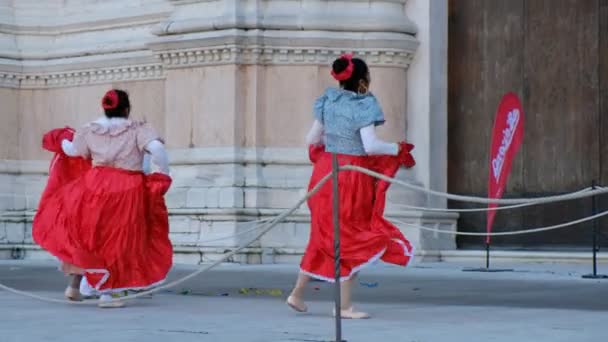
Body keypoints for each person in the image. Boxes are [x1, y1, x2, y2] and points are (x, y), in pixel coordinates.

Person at [287, 54, 416, 319]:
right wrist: (397, 148)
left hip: (325, 173)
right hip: (351, 177)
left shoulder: (328, 100)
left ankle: (297, 294)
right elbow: (370, 146)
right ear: (363, 78)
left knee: (324, 236)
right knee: (351, 237)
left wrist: (333, 145)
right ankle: (344, 307)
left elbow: (312, 138)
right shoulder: (365, 104)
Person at [33, 89, 173, 308]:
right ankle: (108, 295)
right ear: (127, 109)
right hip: (126, 188)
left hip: (93, 187)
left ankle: (76, 286)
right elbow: (157, 149)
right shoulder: (138, 129)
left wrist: (59, 139)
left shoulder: (90, 130)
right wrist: (162, 174)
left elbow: (71, 151)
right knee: (118, 239)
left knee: (90, 236)